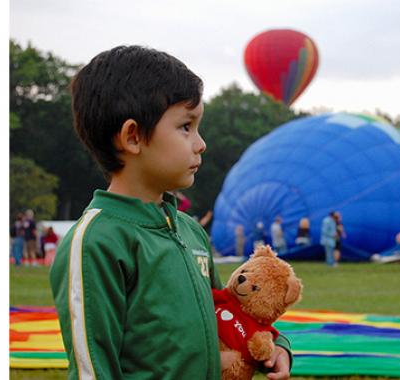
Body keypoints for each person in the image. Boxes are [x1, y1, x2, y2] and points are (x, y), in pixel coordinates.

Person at [48, 46, 292, 380]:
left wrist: (276, 347)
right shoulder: (97, 241)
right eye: (186, 127)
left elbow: (228, 315)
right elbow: (92, 367)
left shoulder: (190, 231)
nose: (200, 143)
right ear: (133, 137)